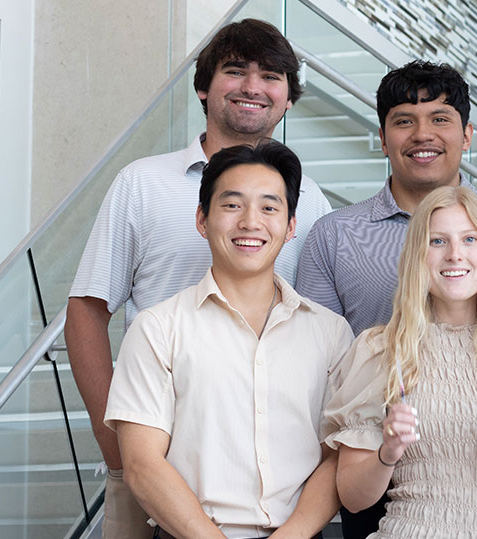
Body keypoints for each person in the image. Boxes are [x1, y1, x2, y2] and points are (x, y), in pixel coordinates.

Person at [65, 19, 331, 538]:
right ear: (204, 87)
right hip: (152, 457)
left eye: (271, 77)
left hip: (265, 476)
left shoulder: (310, 201)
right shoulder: (142, 183)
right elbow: (86, 311)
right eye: (235, 71)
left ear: (288, 100)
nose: (253, 87)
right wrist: (116, 442)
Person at [104, 141, 353, 539]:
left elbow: (337, 454)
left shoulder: (331, 332)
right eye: (232, 205)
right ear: (202, 219)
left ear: (290, 227)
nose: (251, 222)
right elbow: (141, 464)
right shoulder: (157, 328)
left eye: (269, 207)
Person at [325, 186, 477, 538]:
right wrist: (387, 453)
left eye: (470, 239)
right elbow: (352, 498)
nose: (455, 254)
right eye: (438, 241)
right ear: (416, 256)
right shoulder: (379, 351)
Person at [296, 60, 477, 338]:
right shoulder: (333, 236)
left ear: (466, 135)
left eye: (439, 119)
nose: (423, 135)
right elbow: (318, 354)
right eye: (404, 121)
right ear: (382, 139)